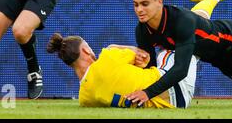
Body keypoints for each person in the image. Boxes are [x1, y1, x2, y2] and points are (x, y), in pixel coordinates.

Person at [47, 35, 197, 108]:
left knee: (195, 48)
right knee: (185, 37)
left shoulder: (85, 99)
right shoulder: (108, 56)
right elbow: (144, 57)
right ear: (86, 51)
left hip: (178, 104)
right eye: (88, 46)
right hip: (174, 81)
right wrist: (114, 46)